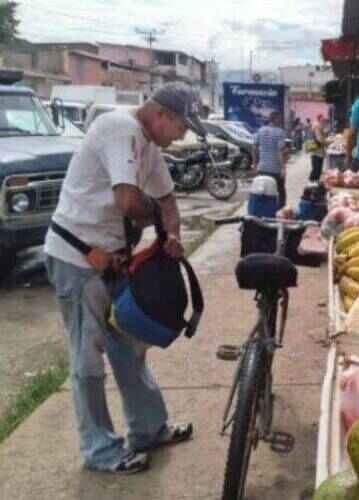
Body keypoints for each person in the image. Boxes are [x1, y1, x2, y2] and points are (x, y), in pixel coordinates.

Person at [44, 82, 202, 474]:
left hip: (112, 262)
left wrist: (174, 235)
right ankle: (100, 450)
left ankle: (148, 429)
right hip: (77, 259)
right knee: (87, 358)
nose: (182, 135)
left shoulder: (149, 145)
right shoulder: (121, 129)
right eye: (181, 126)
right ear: (162, 114)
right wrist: (155, 219)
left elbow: (167, 201)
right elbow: (129, 202)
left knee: (130, 347)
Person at [255, 111, 289, 207]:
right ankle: (281, 212)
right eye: (280, 118)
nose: (281, 120)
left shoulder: (260, 130)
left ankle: (262, 211)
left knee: (263, 191)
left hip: (262, 168)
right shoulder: (280, 132)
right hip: (275, 169)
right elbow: (280, 151)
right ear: (276, 119)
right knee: (281, 191)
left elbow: (254, 147)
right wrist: (283, 168)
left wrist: (255, 164)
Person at [309, 115, 331, 182]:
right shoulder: (317, 126)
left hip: (316, 150)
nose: (324, 122)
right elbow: (320, 139)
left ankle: (313, 182)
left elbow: (322, 136)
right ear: (320, 120)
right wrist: (328, 142)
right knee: (317, 169)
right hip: (317, 151)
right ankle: (312, 184)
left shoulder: (318, 126)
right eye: (323, 121)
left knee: (316, 168)